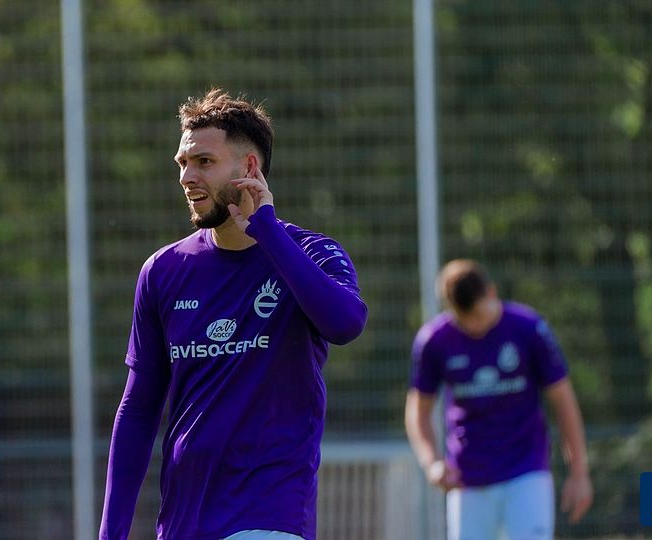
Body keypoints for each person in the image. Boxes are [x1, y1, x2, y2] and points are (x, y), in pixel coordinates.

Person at [98, 89, 368, 540]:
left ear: (249, 169)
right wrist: (111, 533)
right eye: (183, 163)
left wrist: (267, 229)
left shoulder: (311, 252)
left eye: (204, 162)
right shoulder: (162, 271)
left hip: (269, 517)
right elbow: (139, 411)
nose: (187, 176)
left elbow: (345, 324)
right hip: (183, 524)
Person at [405, 259, 593, 540]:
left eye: (479, 315)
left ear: (491, 292)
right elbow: (418, 410)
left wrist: (579, 473)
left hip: (527, 472)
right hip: (468, 479)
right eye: (465, 319)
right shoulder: (434, 341)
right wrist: (431, 461)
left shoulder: (529, 329)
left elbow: (563, 400)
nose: (475, 325)